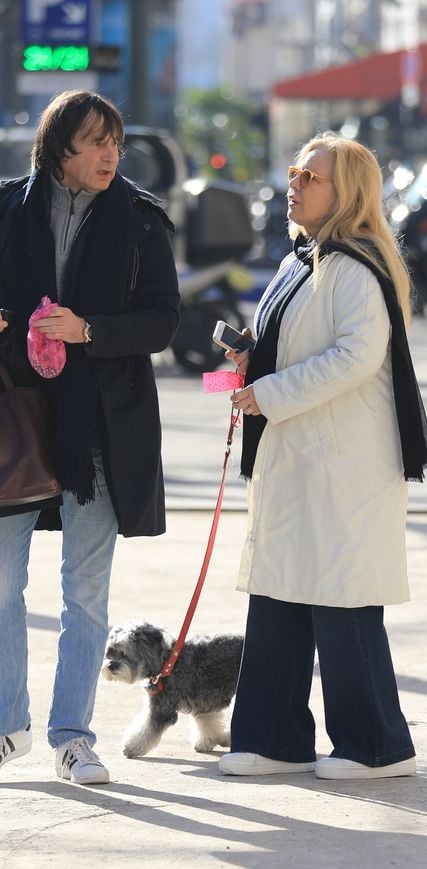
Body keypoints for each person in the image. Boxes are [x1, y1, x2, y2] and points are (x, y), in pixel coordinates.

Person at [217, 132, 427, 780]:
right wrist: (254, 359)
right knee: (279, 593)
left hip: (345, 464)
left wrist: (271, 391)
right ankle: (273, 737)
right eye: (294, 172)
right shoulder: (303, 259)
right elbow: (299, 343)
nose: (295, 183)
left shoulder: (355, 265)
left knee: (344, 599)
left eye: (311, 176)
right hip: (299, 457)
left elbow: (355, 356)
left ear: (348, 192)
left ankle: (377, 745)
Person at [0, 90, 180, 784]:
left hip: (102, 426)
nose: (109, 154)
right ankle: (6, 724)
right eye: (93, 141)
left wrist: (89, 331)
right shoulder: (9, 208)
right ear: (58, 149)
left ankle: (72, 736)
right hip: (16, 420)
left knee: (84, 593)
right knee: (2, 582)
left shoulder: (139, 220)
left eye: (116, 140)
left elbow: (163, 320)